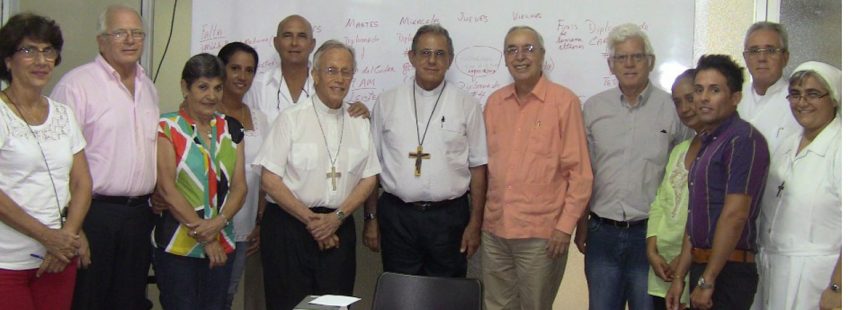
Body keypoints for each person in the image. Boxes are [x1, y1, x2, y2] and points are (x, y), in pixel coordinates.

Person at [254, 40, 380, 310]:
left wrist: (336, 219)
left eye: (346, 72)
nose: (339, 79)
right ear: (315, 75)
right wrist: (313, 222)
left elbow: (369, 178)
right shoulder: (291, 118)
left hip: (338, 226)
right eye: (331, 70)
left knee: (334, 305)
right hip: (290, 227)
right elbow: (269, 180)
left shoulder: (359, 122)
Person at [50, 5, 160, 309]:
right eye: (120, 33)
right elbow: (57, 162)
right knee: (88, 300)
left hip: (139, 216)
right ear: (101, 40)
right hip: (93, 215)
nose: (130, 40)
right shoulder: (76, 85)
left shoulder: (148, 87)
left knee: (129, 301)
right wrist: (74, 226)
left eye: (137, 33)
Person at [577, 23, 691, 310]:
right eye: (621, 57)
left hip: (651, 237)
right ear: (611, 65)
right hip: (602, 232)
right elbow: (584, 173)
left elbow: (686, 175)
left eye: (637, 56)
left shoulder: (672, 109)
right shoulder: (593, 109)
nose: (629, 64)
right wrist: (581, 224)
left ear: (650, 61)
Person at [481, 26, 593, 310]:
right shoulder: (494, 103)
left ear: (542, 55)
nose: (520, 56)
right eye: (512, 50)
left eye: (528, 49)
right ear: (505, 58)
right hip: (495, 231)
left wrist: (565, 228)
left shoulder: (564, 102)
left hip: (542, 236)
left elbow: (580, 175)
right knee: (495, 306)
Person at [363, 23, 486, 278]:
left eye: (440, 54)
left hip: (449, 218)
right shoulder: (387, 102)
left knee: (447, 292)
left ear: (450, 59)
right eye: (425, 53)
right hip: (398, 217)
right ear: (412, 57)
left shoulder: (467, 104)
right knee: (401, 290)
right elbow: (372, 167)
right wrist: (371, 218)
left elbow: (478, 167)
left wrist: (475, 224)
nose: (432, 60)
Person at [0, 13, 92, 310]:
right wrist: (46, 236)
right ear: (8, 60)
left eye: (48, 50)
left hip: (58, 258)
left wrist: (67, 236)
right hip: (7, 261)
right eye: (29, 50)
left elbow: (82, 183)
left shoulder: (64, 114)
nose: (41, 60)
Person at [666, 54, 769, 310]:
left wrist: (708, 280)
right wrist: (679, 276)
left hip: (728, 271)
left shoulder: (742, 140)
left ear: (735, 97)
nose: (703, 98)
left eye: (714, 90)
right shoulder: (708, 141)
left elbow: (735, 215)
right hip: (701, 266)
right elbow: (696, 217)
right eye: (699, 90)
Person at [153, 53, 247, 309]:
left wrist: (218, 223)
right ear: (185, 87)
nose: (211, 96)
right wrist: (206, 237)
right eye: (203, 87)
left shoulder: (232, 128)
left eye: (217, 88)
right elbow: (167, 188)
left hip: (223, 242)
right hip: (177, 244)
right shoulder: (168, 126)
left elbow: (240, 187)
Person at [752, 61, 841, 310]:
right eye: (795, 94)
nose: (802, 103)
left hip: (821, 278)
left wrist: (839, 286)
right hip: (774, 269)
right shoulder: (787, 145)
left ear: (834, 99)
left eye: (812, 94)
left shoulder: (841, 147)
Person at [215, 42, 269, 310]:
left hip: (244, 226)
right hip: (210, 225)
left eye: (249, 70)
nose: (242, 76)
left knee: (227, 294)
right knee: (207, 296)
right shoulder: (205, 113)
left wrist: (259, 222)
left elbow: (264, 177)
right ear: (221, 69)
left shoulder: (260, 119)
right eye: (235, 68)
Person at [244, 15, 368, 125]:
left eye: (302, 36)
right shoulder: (257, 88)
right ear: (276, 43)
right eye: (287, 36)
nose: (294, 43)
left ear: (312, 44)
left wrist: (360, 111)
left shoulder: (328, 85)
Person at [645, 69, 701, 310]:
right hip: (662, 267)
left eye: (690, 98)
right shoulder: (680, 150)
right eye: (678, 102)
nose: (685, 108)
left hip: (694, 265)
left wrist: (683, 260)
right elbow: (660, 202)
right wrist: (651, 250)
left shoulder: (720, 149)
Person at [737, 22, 799, 153]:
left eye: (770, 51)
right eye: (754, 51)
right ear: (745, 57)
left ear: (785, 57)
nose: (761, 58)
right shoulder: (734, 97)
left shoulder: (799, 102)